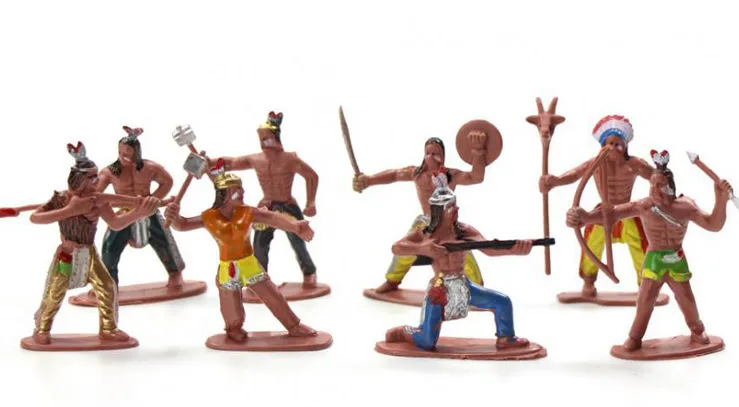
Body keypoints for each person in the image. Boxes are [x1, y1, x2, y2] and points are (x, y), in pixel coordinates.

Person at [566, 149, 732, 351]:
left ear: (670, 187)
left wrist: (721, 200)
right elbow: (613, 214)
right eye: (652, 184)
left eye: (660, 185)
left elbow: (713, 225)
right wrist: (585, 217)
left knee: (687, 299)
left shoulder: (686, 207)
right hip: (654, 260)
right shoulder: (644, 206)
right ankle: (634, 338)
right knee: (645, 300)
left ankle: (698, 331)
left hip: (677, 259)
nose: (654, 189)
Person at [164, 159, 318, 342]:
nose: (242, 192)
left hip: (249, 264)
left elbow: (272, 218)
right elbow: (183, 225)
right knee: (230, 303)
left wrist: (295, 226)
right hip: (227, 267)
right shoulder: (209, 217)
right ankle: (233, 328)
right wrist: (173, 216)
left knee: (272, 295)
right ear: (225, 193)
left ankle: (294, 326)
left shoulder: (248, 212)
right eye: (237, 189)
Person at [385, 170, 532, 351]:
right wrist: (422, 248)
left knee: (502, 302)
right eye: (449, 207)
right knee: (426, 342)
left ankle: (506, 338)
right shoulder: (425, 234)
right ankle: (403, 332)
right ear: (438, 209)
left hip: (464, 285)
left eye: (455, 205)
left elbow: (489, 249)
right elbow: (397, 247)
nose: (456, 209)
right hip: (440, 289)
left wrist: (516, 250)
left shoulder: (464, 231)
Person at [29, 142, 159, 345]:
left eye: (96, 176)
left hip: (89, 253)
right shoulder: (62, 198)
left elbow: (115, 223)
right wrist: (69, 211)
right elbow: (35, 218)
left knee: (107, 286)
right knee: (55, 290)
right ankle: (42, 328)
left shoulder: (98, 200)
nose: (96, 181)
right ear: (80, 179)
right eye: (92, 177)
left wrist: (139, 213)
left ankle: (108, 329)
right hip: (67, 253)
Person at [353, 132, 488, 292]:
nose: (431, 157)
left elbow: (475, 177)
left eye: (435, 153)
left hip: (448, 225)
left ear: (443, 156)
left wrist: (478, 152)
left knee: (463, 254)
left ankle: (478, 288)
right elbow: (394, 174)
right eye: (428, 153)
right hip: (425, 222)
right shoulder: (417, 174)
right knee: (404, 251)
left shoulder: (450, 175)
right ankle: (392, 281)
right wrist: (369, 180)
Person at [540, 115, 653, 296]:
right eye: (609, 144)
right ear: (602, 146)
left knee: (640, 245)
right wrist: (554, 181)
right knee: (591, 245)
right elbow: (575, 174)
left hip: (627, 211)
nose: (613, 148)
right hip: (603, 212)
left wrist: (663, 180)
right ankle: (588, 282)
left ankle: (645, 286)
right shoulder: (595, 164)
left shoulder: (635, 164)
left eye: (618, 144)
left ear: (625, 145)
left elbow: (655, 177)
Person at [221, 112, 320, 288]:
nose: (264, 142)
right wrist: (209, 163)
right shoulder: (256, 159)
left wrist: (310, 202)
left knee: (298, 240)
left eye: (267, 138)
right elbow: (231, 162)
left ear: (276, 137)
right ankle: (259, 278)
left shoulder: (290, 159)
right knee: (259, 243)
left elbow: (311, 176)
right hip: (266, 206)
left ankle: (309, 272)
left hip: (287, 205)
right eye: (261, 139)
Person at [97, 126, 185, 288]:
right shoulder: (109, 172)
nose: (123, 156)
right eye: (120, 152)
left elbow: (167, 182)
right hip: (124, 214)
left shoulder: (150, 167)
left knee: (165, 241)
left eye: (127, 152)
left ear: (136, 152)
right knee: (109, 247)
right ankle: (109, 284)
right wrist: (118, 203)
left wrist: (153, 200)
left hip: (149, 211)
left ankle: (175, 274)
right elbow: (96, 196)